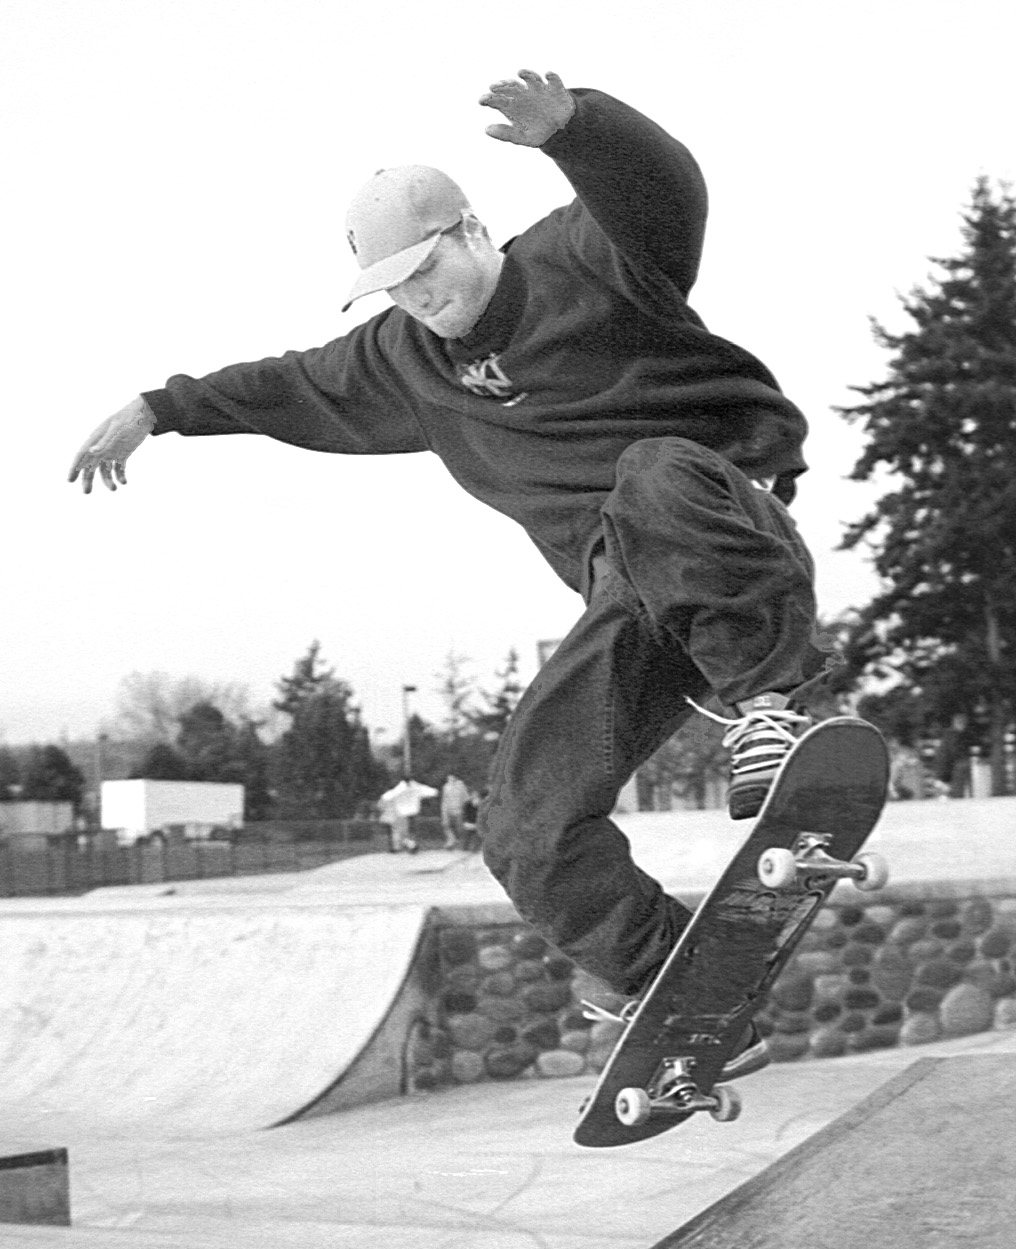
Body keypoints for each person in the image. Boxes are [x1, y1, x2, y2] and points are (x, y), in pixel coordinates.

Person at [69, 69, 835, 1081]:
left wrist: (583, 130)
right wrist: (159, 407)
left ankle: (771, 708)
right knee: (522, 817)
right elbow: (286, 385)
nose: (419, 301)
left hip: (720, 525)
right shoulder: (399, 361)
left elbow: (665, 194)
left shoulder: (588, 260)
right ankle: (673, 989)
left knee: (646, 473)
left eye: (427, 271)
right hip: (632, 598)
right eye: (396, 289)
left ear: (473, 232)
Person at [378, 778, 437, 854]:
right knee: (399, 834)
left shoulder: (393, 795)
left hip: (397, 817)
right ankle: (405, 847)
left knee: (399, 834)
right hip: (397, 817)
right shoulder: (396, 795)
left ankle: (406, 847)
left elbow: (382, 806)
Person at [440, 773, 470, 849]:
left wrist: (465, 808)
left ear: (455, 777)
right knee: (446, 825)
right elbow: (444, 800)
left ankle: (462, 843)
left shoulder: (461, 786)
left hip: (458, 810)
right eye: (448, 778)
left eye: (451, 778)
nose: (450, 779)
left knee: (459, 828)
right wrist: (444, 810)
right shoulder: (446, 787)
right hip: (448, 810)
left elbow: (466, 798)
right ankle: (451, 840)